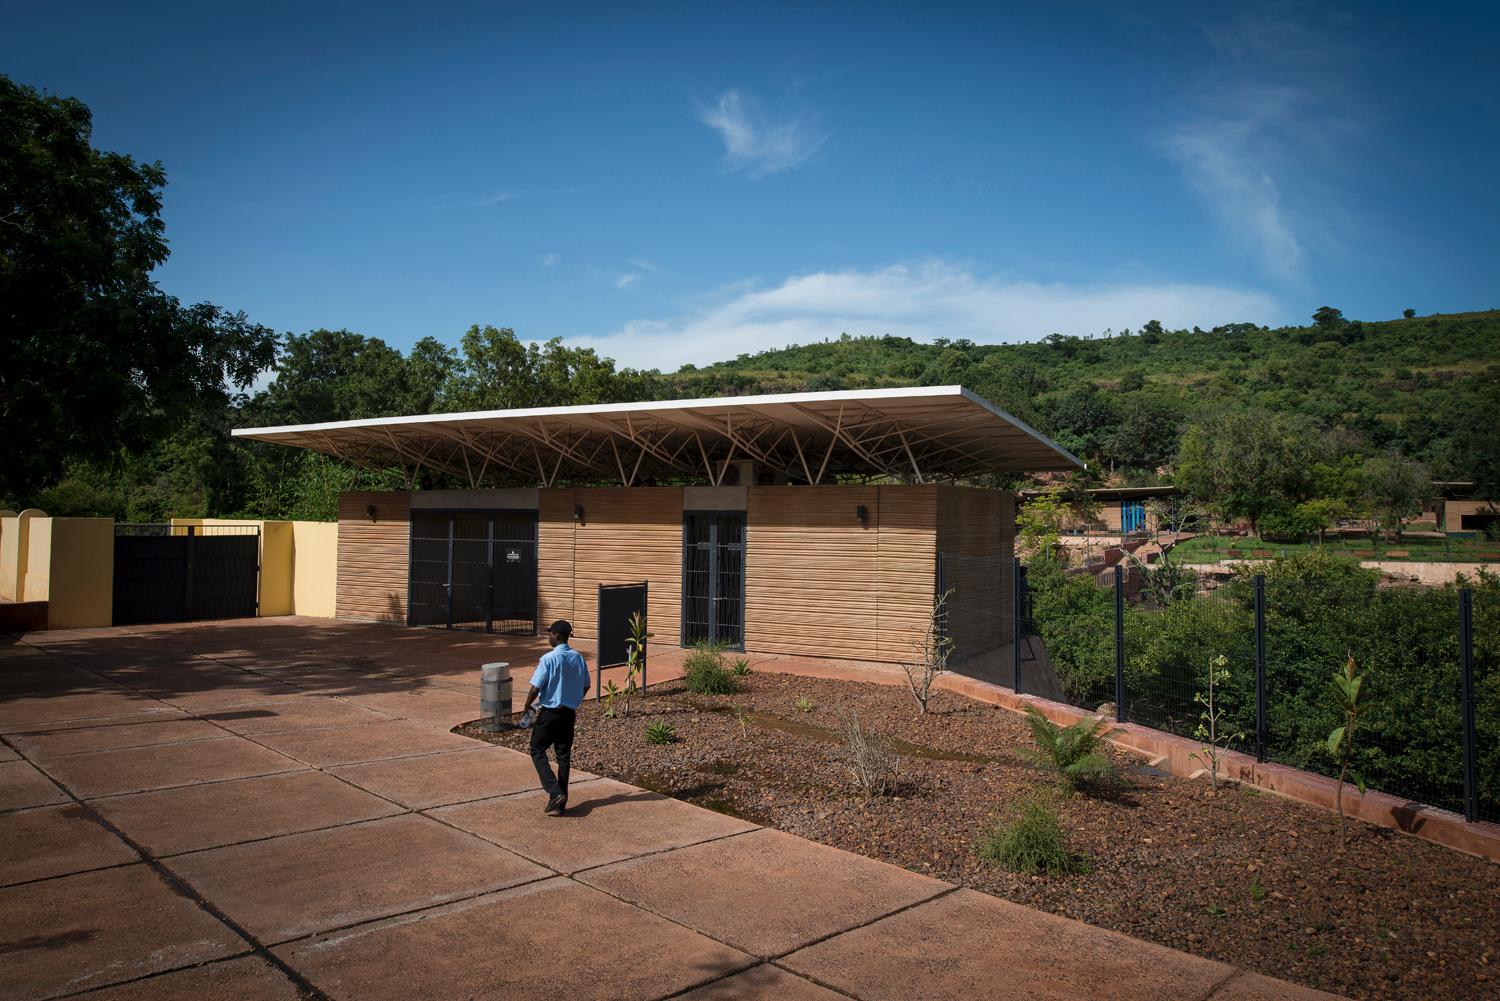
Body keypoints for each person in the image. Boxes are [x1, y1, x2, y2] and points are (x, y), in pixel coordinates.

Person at [522, 619, 590, 816]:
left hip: (550, 714)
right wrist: (575, 699)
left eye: (550, 634)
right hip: (569, 714)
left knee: (536, 749)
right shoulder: (578, 657)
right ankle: (561, 803)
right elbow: (586, 684)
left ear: (558, 636)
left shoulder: (548, 659)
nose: (548, 637)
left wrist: (527, 706)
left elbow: (535, 687)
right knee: (563, 756)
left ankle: (555, 791)